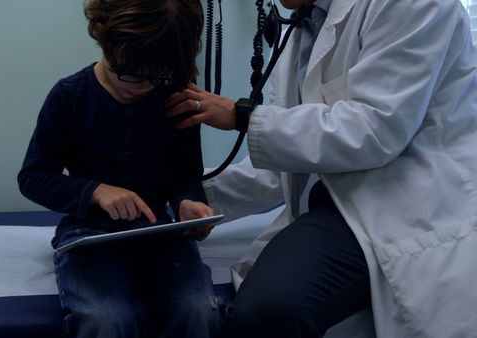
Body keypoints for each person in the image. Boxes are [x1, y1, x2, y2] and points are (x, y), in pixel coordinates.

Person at [166, 0, 477, 337]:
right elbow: (288, 156)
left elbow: (374, 131)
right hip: (340, 199)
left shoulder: (415, 5)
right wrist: (181, 193)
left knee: (268, 309)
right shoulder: (305, 22)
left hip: (402, 203)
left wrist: (242, 116)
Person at [17, 0, 221, 337]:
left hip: (159, 234)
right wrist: (95, 192)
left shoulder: (174, 98)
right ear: (103, 38)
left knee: (199, 313)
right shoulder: (70, 97)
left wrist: (188, 203)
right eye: (127, 72)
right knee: (105, 320)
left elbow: (185, 177)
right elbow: (33, 177)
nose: (139, 86)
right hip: (89, 237)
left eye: (155, 77)